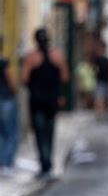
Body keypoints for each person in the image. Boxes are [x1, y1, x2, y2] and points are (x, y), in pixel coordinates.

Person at [22, 28, 69, 180]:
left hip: (37, 100)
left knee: (40, 133)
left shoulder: (31, 58)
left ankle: (45, 164)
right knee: (49, 132)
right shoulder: (57, 56)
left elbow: (24, 79)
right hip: (50, 100)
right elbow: (64, 77)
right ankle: (47, 164)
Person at [0, 46, 18, 177]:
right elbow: (10, 80)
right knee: (10, 133)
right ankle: (6, 164)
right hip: (5, 99)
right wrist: (14, 91)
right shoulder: (3, 62)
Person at [93, 39, 108, 119]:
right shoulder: (106, 60)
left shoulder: (99, 59)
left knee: (100, 97)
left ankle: (100, 111)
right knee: (102, 97)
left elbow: (95, 70)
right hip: (103, 80)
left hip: (102, 80)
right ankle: (101, 111)